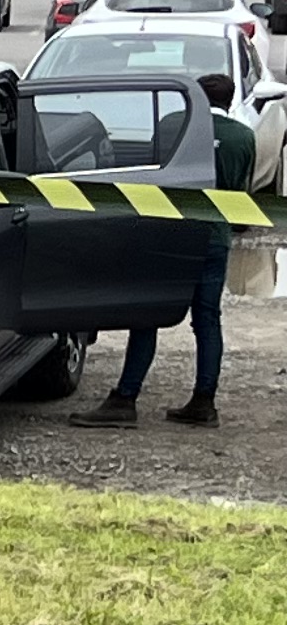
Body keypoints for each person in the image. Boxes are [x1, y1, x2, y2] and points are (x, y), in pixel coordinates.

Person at [70, 68, 251, 429]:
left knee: (148, 314)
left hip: (171, 234)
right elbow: (240, 193)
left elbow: (156, 174)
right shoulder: (243, 137)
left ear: (196, 99)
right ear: (230, 102)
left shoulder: (171, 125)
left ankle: (126, 396)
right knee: (207, 320)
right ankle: (204, 400)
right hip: (214, 237)